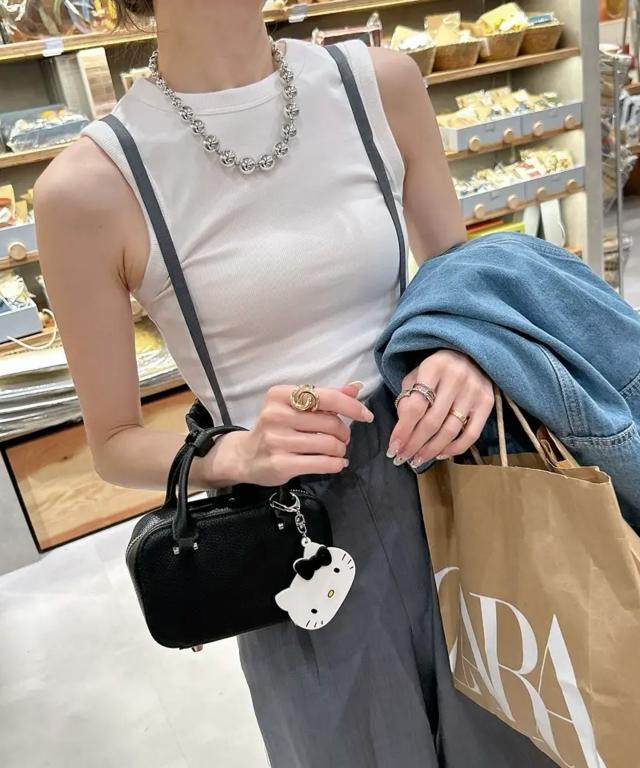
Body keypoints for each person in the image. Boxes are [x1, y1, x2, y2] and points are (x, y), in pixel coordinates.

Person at [34, 2, 555, 766]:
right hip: (297, 531)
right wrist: (235, 455)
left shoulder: (379, 85)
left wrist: (462, 350)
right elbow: (111, 443)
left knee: (515, 736)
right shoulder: (90, 187)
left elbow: (459, 277)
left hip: (452, 470)